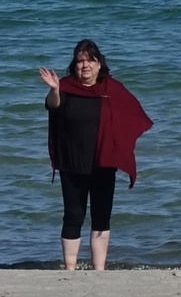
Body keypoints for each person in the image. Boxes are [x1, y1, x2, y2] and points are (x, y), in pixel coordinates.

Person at [38, 40, 152, 270]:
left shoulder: (112, 89)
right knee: (73, 215)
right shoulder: (66, 86)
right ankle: (69, 268)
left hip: (103, 162)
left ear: (100, 64)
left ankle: (99, 269)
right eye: (80, 61)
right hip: (72, 162)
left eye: (90, 60)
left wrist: (121, 145)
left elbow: (133, 115)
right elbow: (53, 106)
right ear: (74, 65)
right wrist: (54, 89)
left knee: (101, 217)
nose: (85, 65)